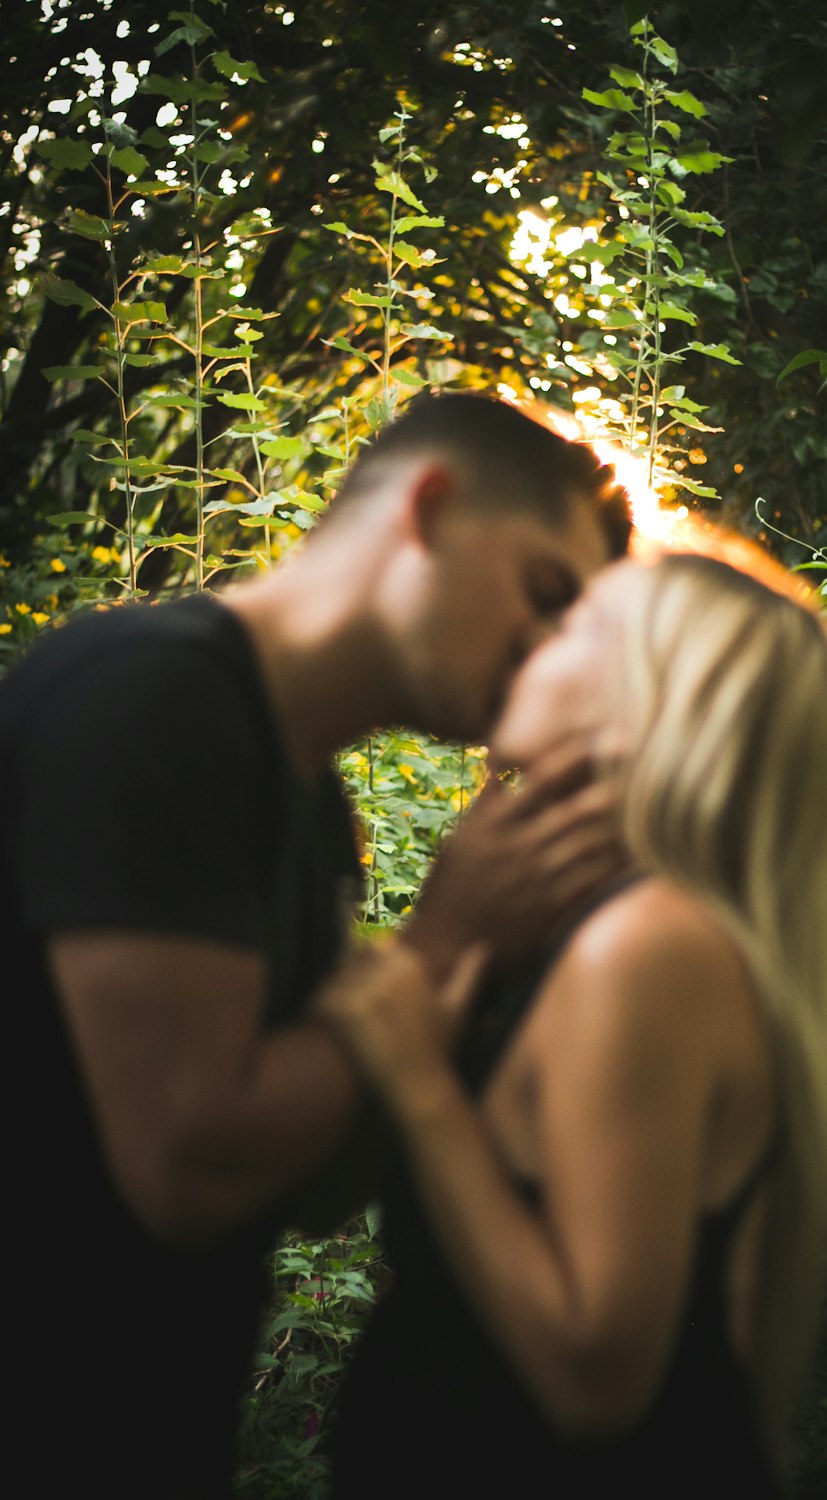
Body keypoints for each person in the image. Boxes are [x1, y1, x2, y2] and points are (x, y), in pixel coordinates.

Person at [1, 393, 631, 1499]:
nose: (545, 651)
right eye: (544, 594)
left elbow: (308, 1186)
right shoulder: (154, 699)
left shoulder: (306, 798)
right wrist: (442, 944)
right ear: (429, 509)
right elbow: (192, 1168)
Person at [320, 528, 827, 1495]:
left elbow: (594, 1382)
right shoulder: (592, 931)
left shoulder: (645, 949)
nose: (531, 633)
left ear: (646, 700)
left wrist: (421, 1083)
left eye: (576, 624)